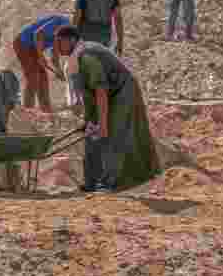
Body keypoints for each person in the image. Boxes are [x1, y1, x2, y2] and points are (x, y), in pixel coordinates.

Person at [53, 25, 160, 192]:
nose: (57, 47)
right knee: (91, 135)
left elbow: (100, 90)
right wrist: (89, 120)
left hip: (122, 91)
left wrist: (102, 124)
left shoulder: (86, 57)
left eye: (60, 42)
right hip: (106, 94)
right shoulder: (74, 62)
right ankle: (91, 182)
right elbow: (88, 95)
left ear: (72, 40)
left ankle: (110, 183)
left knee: (112, 134)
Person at [13, 14, 71, 112]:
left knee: (43, 78)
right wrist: (41, 56)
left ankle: (45, 110)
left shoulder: (63, 38)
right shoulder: (63, 24)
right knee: (33, 77)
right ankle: (27, 110)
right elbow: (38, 34)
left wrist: (59, 71)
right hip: (23, 43)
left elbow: (54, 57)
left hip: (34, 48)